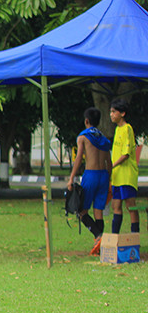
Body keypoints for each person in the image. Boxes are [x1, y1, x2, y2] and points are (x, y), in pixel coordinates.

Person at [65, 107, 111, 254]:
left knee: (81, 211)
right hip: (103, 175)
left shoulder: (83, 137)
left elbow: (79, 158)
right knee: (98, 210)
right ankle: (99, 246)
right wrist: (108, 179)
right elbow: (109, 162)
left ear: (86, 121)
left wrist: (71, 177)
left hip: (90, 175)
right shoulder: (104, 139)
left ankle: (98, 235)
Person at [108, 99, 140, 237]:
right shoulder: (117, 129)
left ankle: (134, 238)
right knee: (116, 206)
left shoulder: (127, 129)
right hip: (117, 176)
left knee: (130, 206)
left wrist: (111, 165)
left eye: (114, 112)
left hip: (126, 175)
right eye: (110, 112)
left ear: (122, 113)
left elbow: (125, 154)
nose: (111, 114)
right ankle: (115, 238)